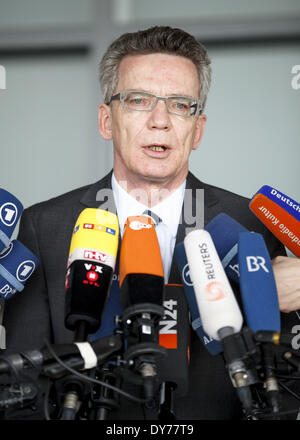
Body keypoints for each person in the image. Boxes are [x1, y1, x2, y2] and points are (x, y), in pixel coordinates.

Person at [2, 26, 300, 420]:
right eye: (139, 100)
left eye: (180, 105)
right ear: (107, 120)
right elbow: (22, 392)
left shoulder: (254, 227)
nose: (160, 120)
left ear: (198, 129)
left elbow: (287, 387)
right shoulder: (43, 226)